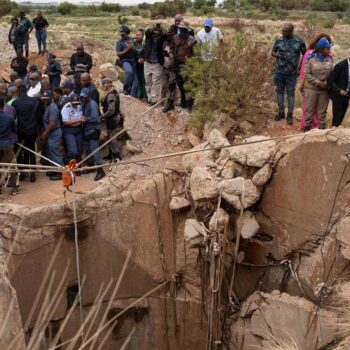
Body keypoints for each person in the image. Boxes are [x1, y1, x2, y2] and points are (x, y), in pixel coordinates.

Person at [272, 23, 306, 125]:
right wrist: (277, 55)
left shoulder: (299, 41)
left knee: (291, 94)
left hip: (292, 73)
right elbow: (272, 52)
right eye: (282, 31)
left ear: (291, 31)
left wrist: (300, 68)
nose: (283, 32)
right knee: (279, 92)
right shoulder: (279, 40)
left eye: (285, 31)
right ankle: (281, 112)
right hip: (279, 72)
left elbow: (305, 55)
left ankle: (290, 115)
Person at [299, 34, 333, 130]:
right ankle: (306, 130)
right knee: (309, 111)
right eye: (327, 48)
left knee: (322, 112)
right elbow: (307, 74)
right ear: (321, 49)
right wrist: (318, 82)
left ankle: (321, 131)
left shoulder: (330, 59)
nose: (329, 50)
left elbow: (332, 72)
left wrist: (327, 82)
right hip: (311, 89)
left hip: (324, 90)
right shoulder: (310, 58)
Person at [163, 23, 196, 113]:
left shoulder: (191, 40)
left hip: (186, 65)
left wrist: (193, 65)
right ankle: (170, 103)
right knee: (172, 84)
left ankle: (189, 105)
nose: (182, 31)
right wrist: (171, 54)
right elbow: (171, 48)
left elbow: (195, 54)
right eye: (181, 29)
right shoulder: (175, 37)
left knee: (187, 86)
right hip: (175, 64)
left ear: (187, 30)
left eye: (184, 30)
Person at [13, 84, 39, 182]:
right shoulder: (34, 101)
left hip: (21, 131)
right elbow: (37, 115)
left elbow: (14, 117)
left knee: (21, 151)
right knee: (31, 151)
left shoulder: (16, 103)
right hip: (32, 130)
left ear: (19, 92)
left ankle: (23, 173)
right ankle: (33, 174)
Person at [80, 88, 105, 181]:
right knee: (88, 149)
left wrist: (85, 119)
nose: (83, 99)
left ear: (88, 96)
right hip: (87, 130)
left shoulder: (92, 104)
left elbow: (96, 118)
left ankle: (100, 170)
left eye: (84, 97)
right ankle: (91, 166)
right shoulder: (84, 103)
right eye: (82, 97)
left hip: (94, 130)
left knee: (94, 150)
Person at [140, 24, 166, 105]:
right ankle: (149, 98)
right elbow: (147, 32)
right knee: (148, 82)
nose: (156, 32)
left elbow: (165, 35)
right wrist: (151, 28)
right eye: (155, 30)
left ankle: (153, 99)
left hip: (157, 63)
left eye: (158, 30)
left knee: (156, 82)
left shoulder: (162, 39)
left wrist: (161, 29)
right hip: (147, 62)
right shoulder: (149, 37)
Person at [40, 91, 63, 180]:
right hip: (50, 133)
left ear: (51, 98)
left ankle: (61, 172)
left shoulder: (53, 108)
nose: (45, 101)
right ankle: (54, 169)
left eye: (47, 99)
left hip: (54, 132)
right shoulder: (48, 106)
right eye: (44, 99)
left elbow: (52, 123)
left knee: (55, 152)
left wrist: (45, 134)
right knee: (50, 153)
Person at [0, 98, 19, 195]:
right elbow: (14, 130)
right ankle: (14, 188)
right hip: (7, 144)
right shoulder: (9, 117)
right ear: (3, 105)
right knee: (11, 166)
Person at [100, 78, 122, 161]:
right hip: (113, 117)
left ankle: (117, 155)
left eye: (103, 85)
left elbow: (111, 110)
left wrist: (102, 116)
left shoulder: (110, 95)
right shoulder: (114, 92)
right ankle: (111, 153)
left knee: (113, 137)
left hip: (112, 118)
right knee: (110, 136)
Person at [328, 56, 350, 127]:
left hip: (347, 95)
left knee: (341, 117)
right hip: (337, 95)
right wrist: (339, 90)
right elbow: (330, 80)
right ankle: (333, 131)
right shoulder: (340, 65)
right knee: (336, 118)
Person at [61, 94, 84, 163]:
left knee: (79, 150)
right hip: (69, 130)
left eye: (77, 103)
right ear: (70, 102)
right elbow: (65, 122)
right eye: (74, 103)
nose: (75, 105)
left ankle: (77, 166)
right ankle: (64, 162)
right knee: (73, 151)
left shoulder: (80, 105)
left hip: (79, 129)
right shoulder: (66, 107)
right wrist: (79, 120)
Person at [116, 25, 136, 95]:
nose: (122, 36)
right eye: (121, 35)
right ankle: (125, 88)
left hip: (134, 60)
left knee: (134, 76)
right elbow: (118, 54)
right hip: (125, 60)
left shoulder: (133, 40)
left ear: (128, 33)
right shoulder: (120, 42)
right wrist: (127, 49)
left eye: (123, 35)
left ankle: (131, 91)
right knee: (129, 71)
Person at [131, 29, 147, 100]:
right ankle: (140, 96)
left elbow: (143, 52)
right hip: (137, 63)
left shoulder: (144, 44)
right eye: (136, 35)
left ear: (142, 36)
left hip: (144, 63)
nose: (137, 36)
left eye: (139, 35)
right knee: (139, 80)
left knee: (144, 81)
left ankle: (145, 96)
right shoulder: (133, 42)